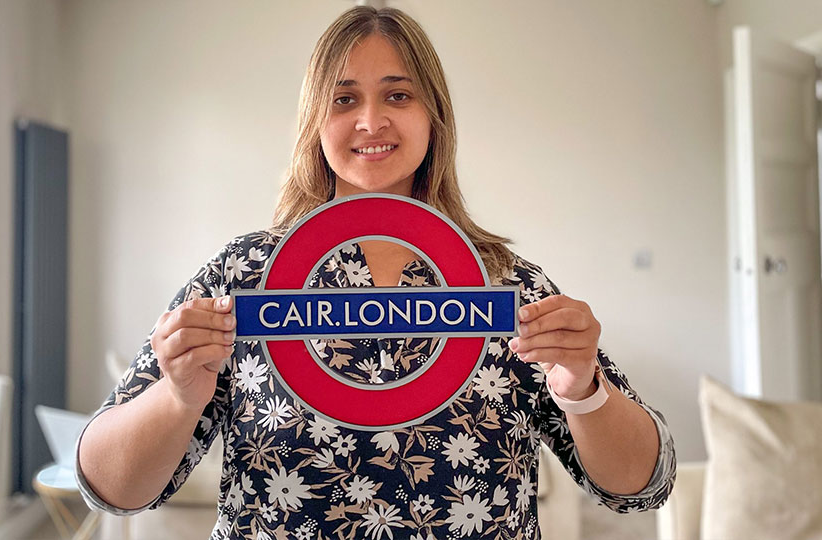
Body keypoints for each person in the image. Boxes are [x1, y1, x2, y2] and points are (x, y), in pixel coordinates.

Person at [76, 6, 676, 539]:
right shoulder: (242, 277)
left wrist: (584, 392)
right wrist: (179, 397)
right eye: (343, 99)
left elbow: (640, 486)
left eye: (397, 95)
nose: (370, 120)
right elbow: (109, 489)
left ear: (433, 116)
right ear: (316, 121)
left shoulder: (504, 283)